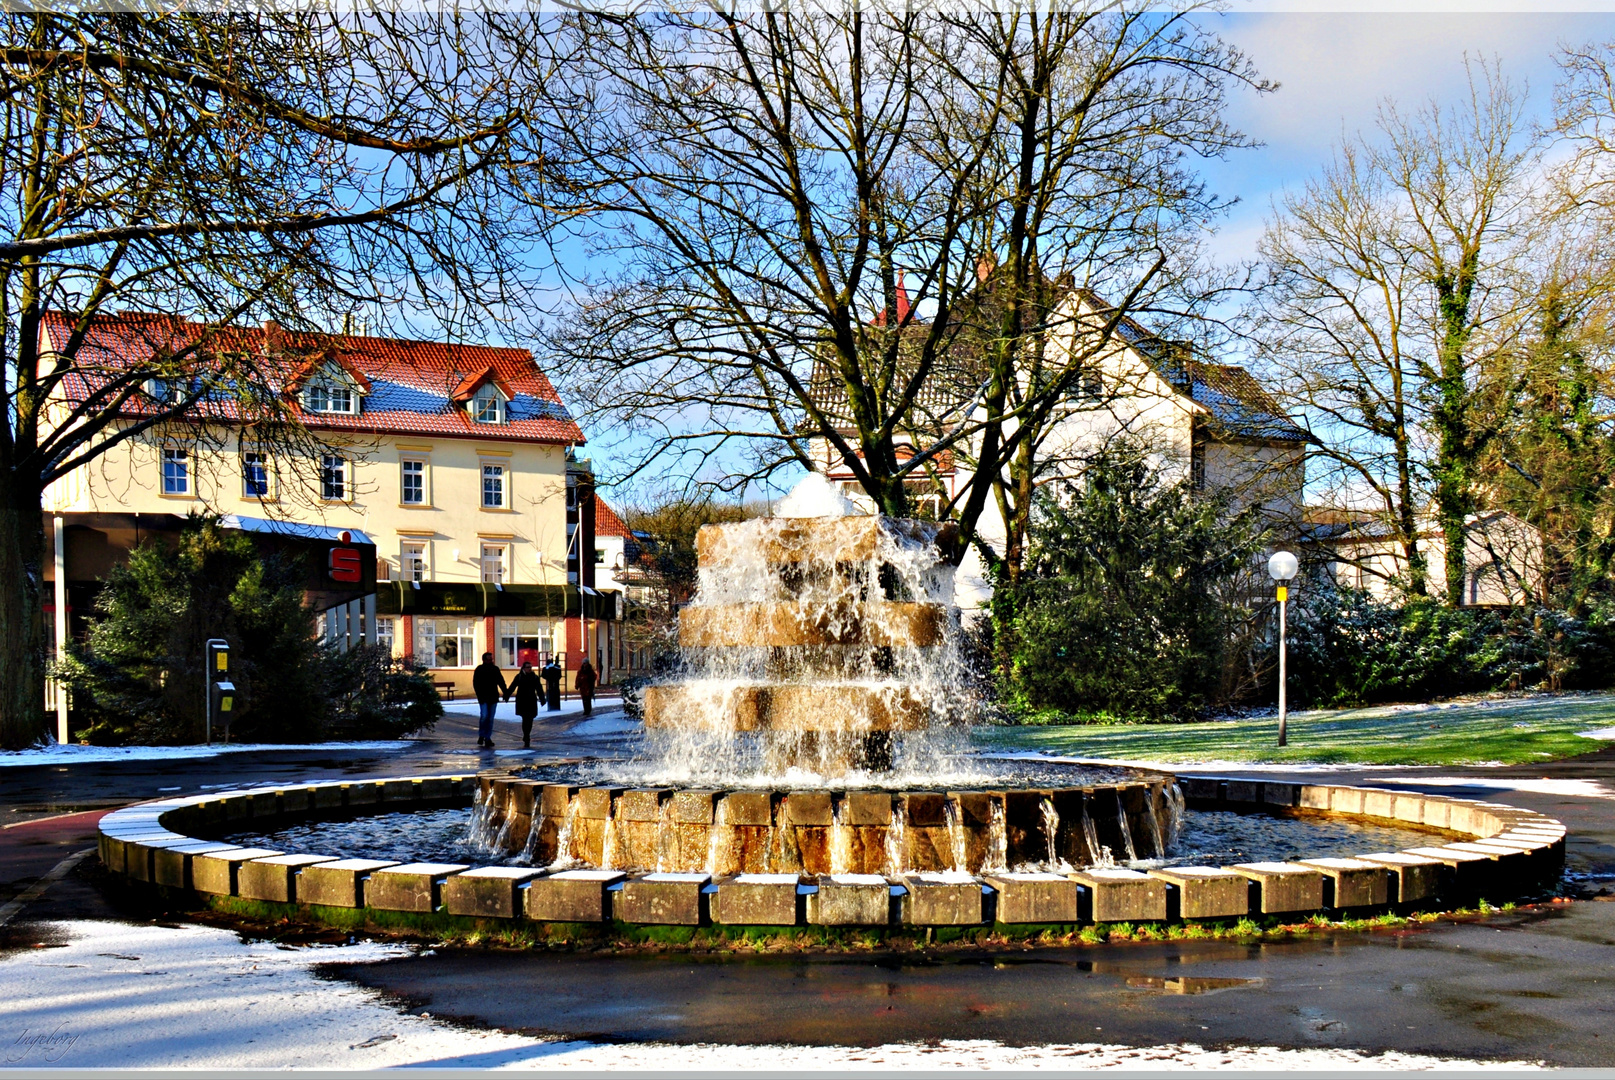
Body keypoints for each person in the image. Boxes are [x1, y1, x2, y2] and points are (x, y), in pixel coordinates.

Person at [471, 652, 508, 748]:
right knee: (484, 716)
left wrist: (505, 692)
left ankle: (487, 738)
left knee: (490, 718)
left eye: (491, 659)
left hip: (493, 697)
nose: (490, 661)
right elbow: (476, 684)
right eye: (488, 659)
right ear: (483, 660)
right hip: (483, 697)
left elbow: (501, 681)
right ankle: (482, 735)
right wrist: (479, 696)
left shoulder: (495, 669)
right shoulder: (479, 669)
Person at [505, 660, 543, 749]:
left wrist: (542, 699)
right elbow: (512, 686)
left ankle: (527, 734)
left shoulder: (534, 677)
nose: (530, 669)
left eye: (531, 667)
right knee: (525, 718)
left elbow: (539, 688)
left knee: (530, 719)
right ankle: (526, 736)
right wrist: (507, 695)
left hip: (531, 701)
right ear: (523, 668)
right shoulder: (519, 677)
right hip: (522, 701)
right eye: (528, 667)